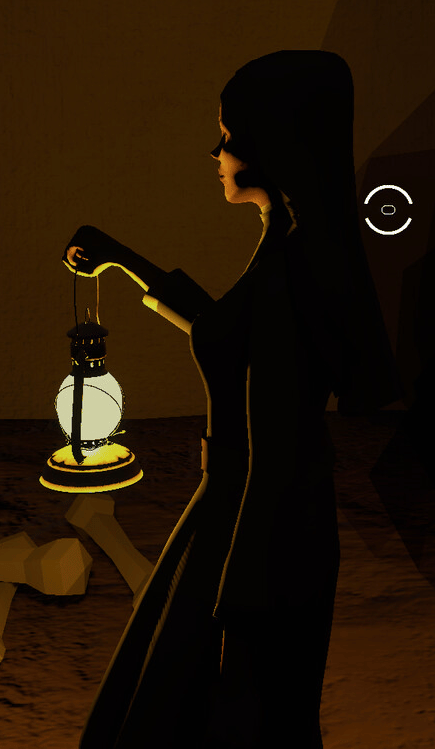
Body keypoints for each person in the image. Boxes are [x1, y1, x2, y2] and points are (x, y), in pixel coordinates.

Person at [63, 50, 394, 748]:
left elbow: (277, 444)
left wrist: (244, 580)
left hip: (259, 527)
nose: (215, 154)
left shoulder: (291, 270)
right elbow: (226, 331)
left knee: (230, 711)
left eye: (227, 136)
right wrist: (123, 260)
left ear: (272, 144)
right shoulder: (285, 246)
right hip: (240, 511)